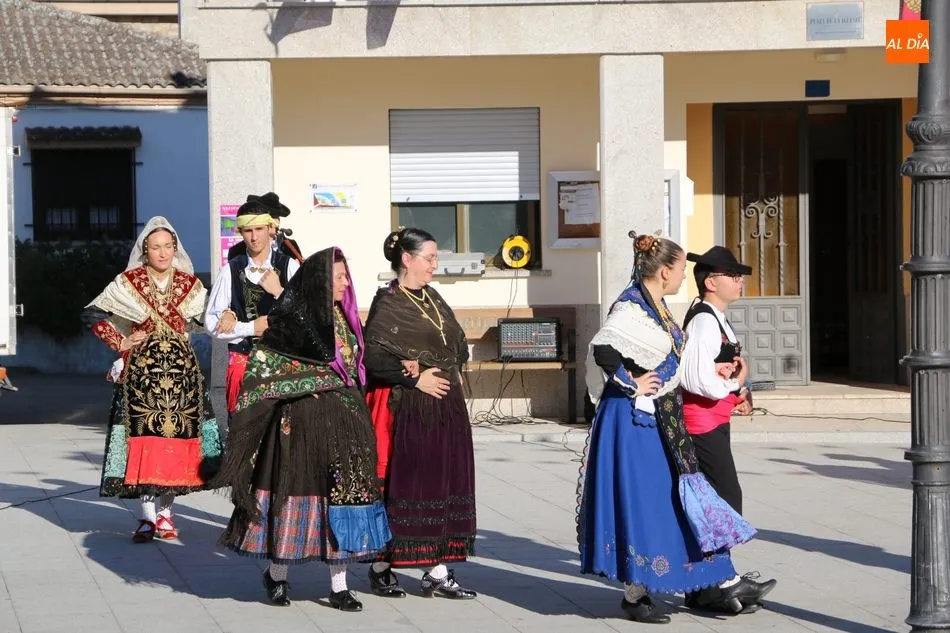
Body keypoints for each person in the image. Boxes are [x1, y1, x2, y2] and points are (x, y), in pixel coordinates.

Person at [577, 231, 767, 625]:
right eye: (681, 269)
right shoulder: (630, 305)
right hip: (632, 419)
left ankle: (701, 581)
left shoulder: (658, 307)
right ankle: (637, 592)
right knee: (638, 501)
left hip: (661, 415)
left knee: (666, 500)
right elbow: (603, 348)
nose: (684, 277)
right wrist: (631, 382)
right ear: (664, 271)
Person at [213, 247, 391, 611]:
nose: (345, 282)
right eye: (338, 276)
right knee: (294, 498)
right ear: (319, 282)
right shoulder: (290, 321)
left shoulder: (344, 319)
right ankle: (277, 575)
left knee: (340, 500)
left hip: (345, 425)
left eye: (345, 275)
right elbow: (266, 367)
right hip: (302, 426)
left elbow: (352, 366)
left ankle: (339, 584)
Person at [82, 217, 222, 543]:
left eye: (167, 247)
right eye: (155, 247)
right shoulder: (128, 283)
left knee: (173, 448)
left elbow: (210, 315)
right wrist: (120, 342)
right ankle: (146, 518)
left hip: (182, 377)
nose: (162, 253)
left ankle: (166, 515)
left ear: (175, 249)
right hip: (141, 380)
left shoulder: (190, 285)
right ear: (145, 251)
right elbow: (92, 312)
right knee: (144, 447)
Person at [363, 227, 477, 600]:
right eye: (429, 257)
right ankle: (388, 566)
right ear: (406, 259)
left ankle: (435, 569)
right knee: (411, 487)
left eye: (435, 257)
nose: (434, 264)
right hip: (412, 411)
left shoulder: (432, 297)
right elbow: (374, 357)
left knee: (443, 486)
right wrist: (414, 380)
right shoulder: (389, 302)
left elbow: (455, 342)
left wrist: (447, 371)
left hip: (446, 411)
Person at [680, 245, 778, 612]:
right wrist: (735, 385)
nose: (739, 281)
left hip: (715, 418)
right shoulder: (704, 321)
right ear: (710, 281)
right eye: (732, 276)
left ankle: (710, 584)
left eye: (739, 276)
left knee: (718, 501)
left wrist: (738, 385)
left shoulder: (716, 317)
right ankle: (717, 581)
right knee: (723, 501)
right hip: (701, 422)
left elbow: (718, 369)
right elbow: (694, 377)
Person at [205, 194, 301, 418]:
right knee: (243, 435)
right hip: (243, 366)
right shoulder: (231, 270)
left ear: (270, 228)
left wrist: (278, 291)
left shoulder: (289, 266)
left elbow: (304, 317)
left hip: (282, 366)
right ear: (240, 233)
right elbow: (211, 323)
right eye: (248, 231)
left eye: (259, 229)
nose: (254, 237)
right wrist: (248, 328)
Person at [226, 192, 303, 262]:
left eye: (277, 216)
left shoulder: (289, 245)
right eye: (271, 216)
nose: (276, 221)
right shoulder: (237, 250)